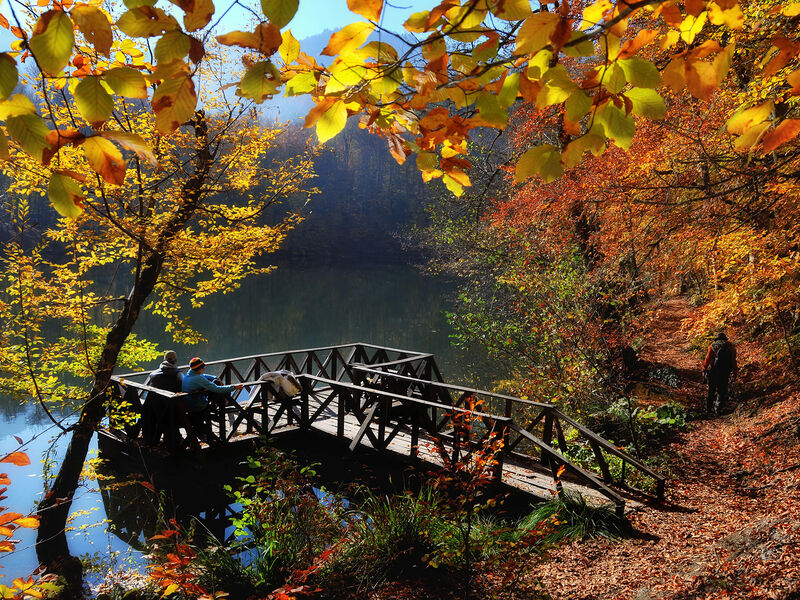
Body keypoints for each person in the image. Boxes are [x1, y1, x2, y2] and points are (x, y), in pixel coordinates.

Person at [141, 350, 183, 445]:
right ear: (175, 361)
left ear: (163, 360)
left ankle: (152, 438)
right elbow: (183, 389)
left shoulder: (153, 374)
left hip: (153, 410)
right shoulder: (178, 374)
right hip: (171, 411)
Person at [702, 332, 738, 415]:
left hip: (714, 371)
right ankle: (718, 409)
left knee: (711, 390)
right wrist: (735, 373)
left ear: (717, 339)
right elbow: (733, 362)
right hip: (725, 372)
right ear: (725, 339)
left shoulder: (712, 346)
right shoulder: (731, 348)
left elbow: (707, 360)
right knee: (722, 391)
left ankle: (708, 409)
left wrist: (704, 369)